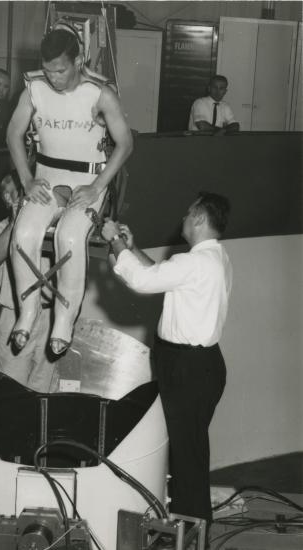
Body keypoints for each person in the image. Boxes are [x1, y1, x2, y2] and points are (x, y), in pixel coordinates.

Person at [102, 192, 232, 532]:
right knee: (188, 453)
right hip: (197, 366)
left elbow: (143, 281)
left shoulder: (196, 262)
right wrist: (131, 249)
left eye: (190, 214)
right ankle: (188, 529)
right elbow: (161, 274)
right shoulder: (212, 259)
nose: (184, 219)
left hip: (188, 368)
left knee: (187, 458)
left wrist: (114, 239)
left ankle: (190, 534)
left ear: (201, 220)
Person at [6, 27, 133, 355]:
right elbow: (13, 134)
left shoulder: (100, 93)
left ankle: (64, 318)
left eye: (60, 70)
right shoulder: (34, 88)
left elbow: (125, 143)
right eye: (48, 70)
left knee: (70, 237)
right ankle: (28, 311)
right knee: (23, 234)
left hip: (88, 183)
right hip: (47, 177)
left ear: (78, 61)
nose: (53, 78)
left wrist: (97, 187)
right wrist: (26, 180)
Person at [0, 172, 55, 392]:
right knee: (10, 390)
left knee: (45, 390)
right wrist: (16, 222)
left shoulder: (48, 229)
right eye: (22, 192)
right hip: (14, 317)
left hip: (49, 317)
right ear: (7, 198)